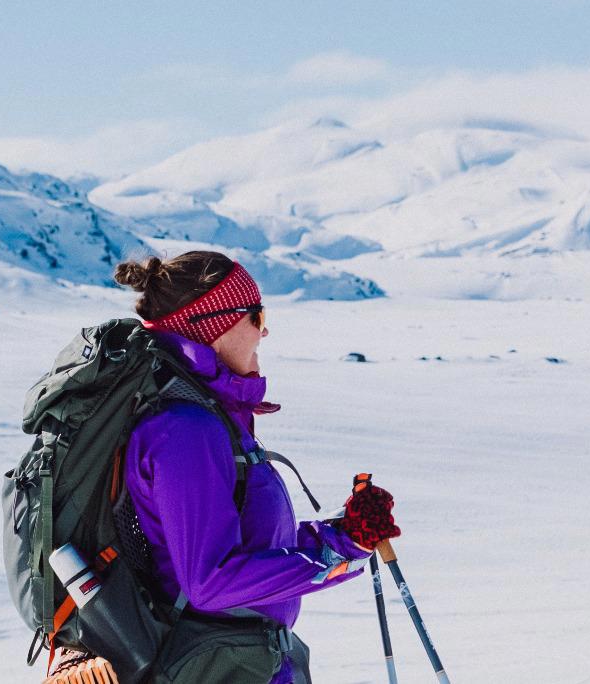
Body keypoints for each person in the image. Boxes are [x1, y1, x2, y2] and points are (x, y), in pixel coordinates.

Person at [109, 250, 400, 684]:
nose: (265, 331)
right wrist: (334, 554)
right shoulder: (186, 431)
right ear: (216, 325)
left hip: (245, 661)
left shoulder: (211, 419)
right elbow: (211, 581)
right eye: (256, 315)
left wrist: (346, 537)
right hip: (216, 667)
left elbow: (253, 547)